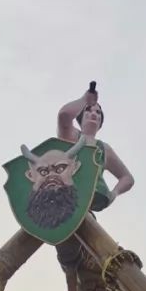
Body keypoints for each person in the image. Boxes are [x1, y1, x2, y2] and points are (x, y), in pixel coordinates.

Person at [56, 83, 135, 211]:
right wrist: (84, 100)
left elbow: (128, 178)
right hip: (65, 198)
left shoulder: (104, 149)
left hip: (93, 200)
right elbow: (63, 115)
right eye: (89, 110)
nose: (94, 114)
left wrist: (113, 193)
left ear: (100, 122)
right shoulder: (71, 135)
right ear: (80, 117)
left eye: (98, 112)